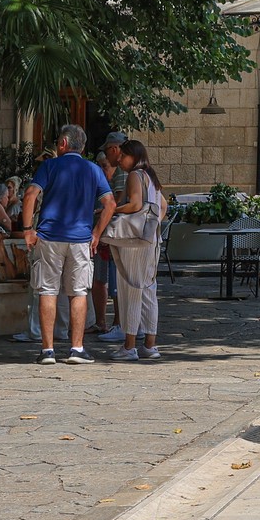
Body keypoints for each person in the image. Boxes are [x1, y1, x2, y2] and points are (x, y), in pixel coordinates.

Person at [21, 124, 115, 365]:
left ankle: (48, 351)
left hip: (49, 237)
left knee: (47, 291)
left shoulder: (49, 165)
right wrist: (96, 233)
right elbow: (110, 204)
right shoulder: (94, 169)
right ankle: (76, 348)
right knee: (79, 293)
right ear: (81, 147)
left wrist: (27, 229)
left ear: (63, 143)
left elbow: (31, 194)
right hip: (80, 239)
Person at [105, 140, 164, 362]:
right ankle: (150, 344)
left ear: (133, 155)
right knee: (149, 291)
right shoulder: (152, 177)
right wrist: (152, 227)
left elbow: (135, 205)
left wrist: (111, 210)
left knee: (131, 289)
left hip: (134, 242)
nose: (119, 160)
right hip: (152, 240)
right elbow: (163, 207)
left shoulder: (134, 176)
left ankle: (129, 346)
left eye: (123, 156)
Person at [89, 143, 131, 343]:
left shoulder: (123, 179)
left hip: (114, 236)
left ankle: (118, 323)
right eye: (100, 165)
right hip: (100, 237)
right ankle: (101, 322)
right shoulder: (98, 183)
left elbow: (117, 205)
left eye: (105, 165)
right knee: (99, 279)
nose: (102, 169)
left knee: (115, 282)